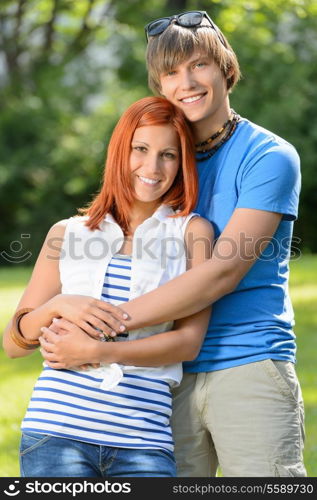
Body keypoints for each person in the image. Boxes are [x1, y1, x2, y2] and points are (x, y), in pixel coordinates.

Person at [20, 10, 306, 477]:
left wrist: (97, 328)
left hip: (246, 362)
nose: (187, 82)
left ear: (225, 69)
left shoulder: (269, 156)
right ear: (159, 85)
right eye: (171, 72)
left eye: (199, 65)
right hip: (158, 383)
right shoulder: (161, 155)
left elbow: (221, 272)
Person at [2, 96, 213, 477]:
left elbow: (187, 343)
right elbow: (14, 343)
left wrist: (98, 350)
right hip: (55, 432)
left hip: (144, 441)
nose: (152, 166)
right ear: (121, 151)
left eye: (168, 154)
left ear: (182, 162)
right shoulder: (67, 233)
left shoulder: (192, 233)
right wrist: (58, 306)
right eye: (141, 149)